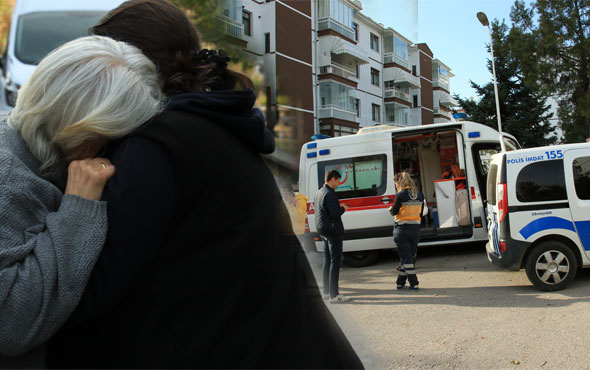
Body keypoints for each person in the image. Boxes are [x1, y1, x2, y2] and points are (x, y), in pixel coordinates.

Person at [48, 1, 363, 368]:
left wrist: (72, 206)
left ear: (124, 65)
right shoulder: (213, 131)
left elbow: (83, 292)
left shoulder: (155, 146)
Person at [0, 36, 162, 368]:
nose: (110, 150)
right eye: (111, 137)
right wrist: (78, 209)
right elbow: (12, 325)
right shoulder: (9, 179)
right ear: (83, 130)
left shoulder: (26, 152)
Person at [315, 169, 351, 303]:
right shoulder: (330, 194)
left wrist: (337, 207)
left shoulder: (319, 192)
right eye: (338, 181)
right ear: (332, 180)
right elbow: (335, 213)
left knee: (327, 261)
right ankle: (334, 295)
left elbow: (324, 210)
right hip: (333, 231)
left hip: (323, 230)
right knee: (335, 262)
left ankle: (326, 291)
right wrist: (343, 208)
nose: (339, 183)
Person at [389, 171, 425, 291]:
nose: (396, 186)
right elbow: (421, 213)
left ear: (399, 183)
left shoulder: (400, 195)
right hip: (415, 230)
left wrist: (390, 209)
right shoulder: (420, 194)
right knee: (408, 257)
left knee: (407, 259)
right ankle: (400, 283)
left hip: (402, 230)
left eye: (395, 184)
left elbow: (394, 212)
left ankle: (414, 283)